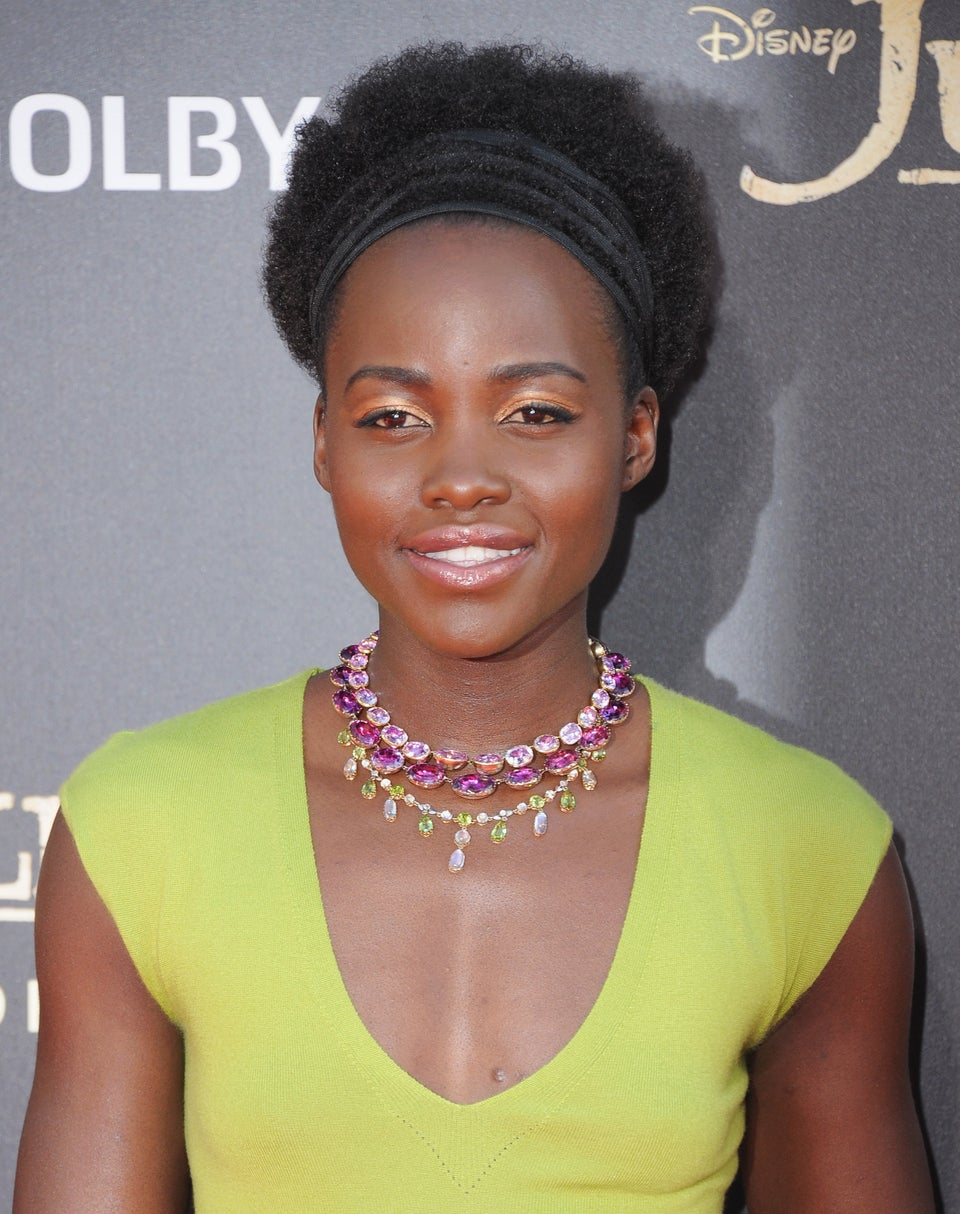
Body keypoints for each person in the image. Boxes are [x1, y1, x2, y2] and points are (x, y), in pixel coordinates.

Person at [15, 42, 934, 1213]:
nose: (461, 476)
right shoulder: (139, 830)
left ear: (637, 435)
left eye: (535, 411)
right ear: (324, 443)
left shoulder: (808, 848)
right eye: (394, 415)